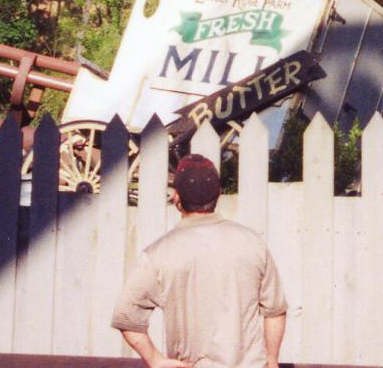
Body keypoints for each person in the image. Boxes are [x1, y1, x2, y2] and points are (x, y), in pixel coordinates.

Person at [111, 153, 287, 368]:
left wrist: (155, 360)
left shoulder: (157, 254)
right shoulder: (252, 243)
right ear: (218, 194)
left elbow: (126, 316)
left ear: (176, 197)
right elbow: (275, 310)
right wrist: (272, 361)